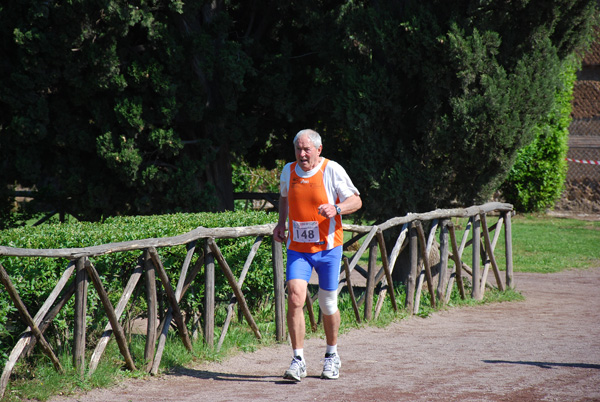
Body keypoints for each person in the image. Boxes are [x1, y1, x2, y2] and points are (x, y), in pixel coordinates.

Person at [273, 129, 362, 381]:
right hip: (298, 248)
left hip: (328, 248)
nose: (302, 154)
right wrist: (281, 224)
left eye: (306, 149)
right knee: (295, 297)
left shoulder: (331, 169)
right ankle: (298, 359)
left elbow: (356, 201)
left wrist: (336, 208)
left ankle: (332, 355)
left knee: (327, 304)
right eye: (298, 149)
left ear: (318, 150)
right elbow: (284, 197)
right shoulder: (288, 171)